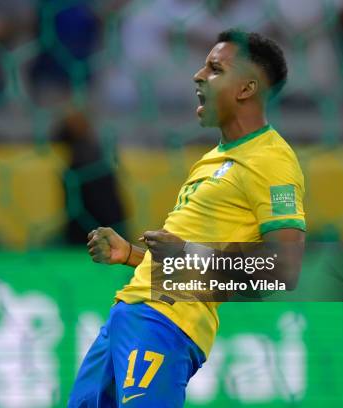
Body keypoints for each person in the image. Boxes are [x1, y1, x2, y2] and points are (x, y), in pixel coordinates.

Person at [68, 30, 306, 407]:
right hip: (128, 313)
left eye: (214, 68)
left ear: (246, 88)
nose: (198, 75)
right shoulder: (214, 158)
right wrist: (131, 254)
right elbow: (182, 261)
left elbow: (285, 270)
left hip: (166, 323)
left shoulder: (272, 161)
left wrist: (187, 252)